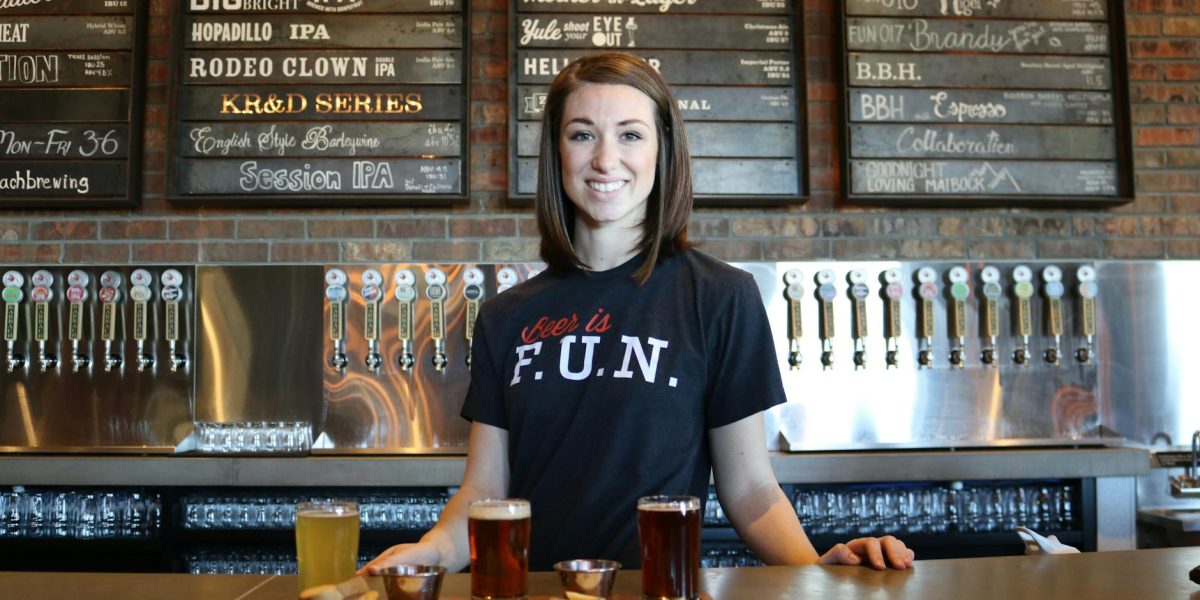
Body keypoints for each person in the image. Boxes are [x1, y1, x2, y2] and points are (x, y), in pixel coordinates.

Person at [362, 51, 914, 574]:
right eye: (582, 134)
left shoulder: (720, 297)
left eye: (630, 135)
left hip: (660, 588)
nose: (605, 159)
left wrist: (815, 570)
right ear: (558, 152)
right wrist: (430, 550)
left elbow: (749, 489)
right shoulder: (507, 316)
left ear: (661, 150)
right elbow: (484, 492)